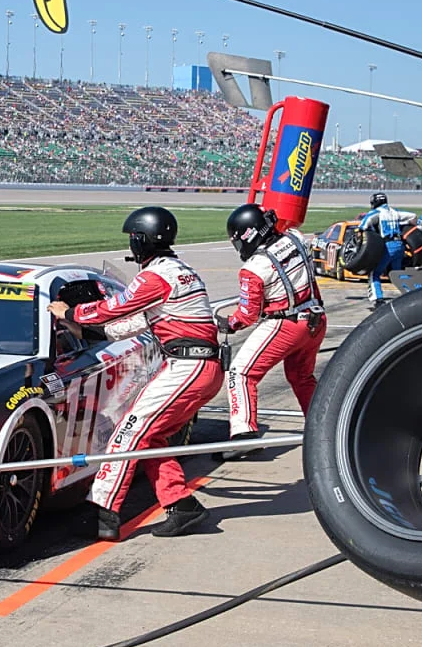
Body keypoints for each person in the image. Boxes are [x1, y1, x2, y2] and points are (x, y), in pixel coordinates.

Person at [47, 206, 224, 540]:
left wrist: (69, 312)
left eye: (133, 238)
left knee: (127, 433)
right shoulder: (180, 271)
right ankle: (181, 505)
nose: (131, 245)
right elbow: (136, 323)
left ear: (142, 240)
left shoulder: (155, 275)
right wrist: (93, 334)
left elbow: (114, 308)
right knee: (151, 437)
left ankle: (103, 513)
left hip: (187, 366)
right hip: (201, 366)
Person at [218, 203, 327, 458]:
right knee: (302, 377)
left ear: (249, 234)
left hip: (285, 323)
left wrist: (229, 324)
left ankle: (243, 435)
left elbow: (247, 315)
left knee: (240, 373)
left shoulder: (254, 268)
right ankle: (323, 424)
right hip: (316, 319)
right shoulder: (296, 238)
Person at [358, 192, 418, 309]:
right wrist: (403, 224)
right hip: (400, 245)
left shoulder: (376, 213)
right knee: (397, 272)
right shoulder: (395, 212)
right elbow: (413, 216)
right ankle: (411, 294)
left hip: (387, 245)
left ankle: (377, 299)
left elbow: (363, 226)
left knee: (375, 273)